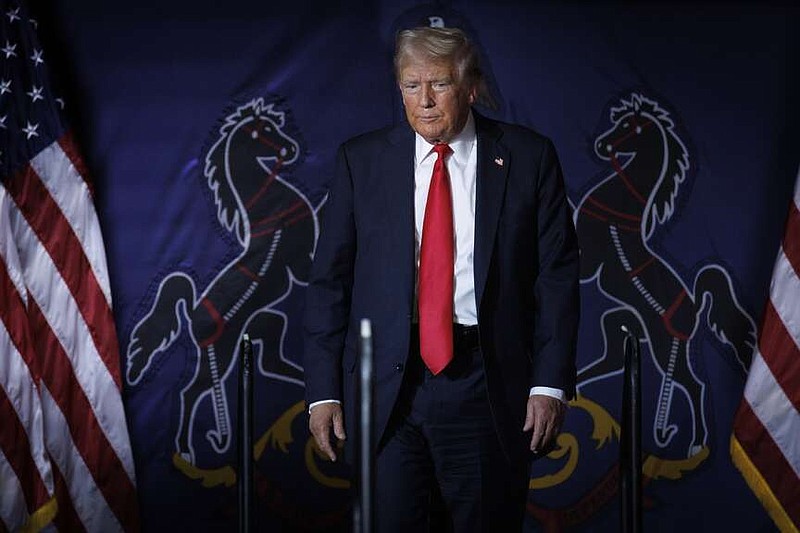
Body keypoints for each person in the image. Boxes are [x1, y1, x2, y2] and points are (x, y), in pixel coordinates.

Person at [303, 26, 579, 531]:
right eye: (411, 85)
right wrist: (323, 391)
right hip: (386, 392)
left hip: (485, 385)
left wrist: (549, 385)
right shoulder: (360, 161)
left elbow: (556, 279)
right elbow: (329, 282)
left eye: (439, 84)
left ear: (470, 86)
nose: (424, 101)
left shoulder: (527, 157)